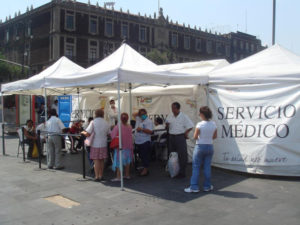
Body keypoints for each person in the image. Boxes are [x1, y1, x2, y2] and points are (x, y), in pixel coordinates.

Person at [184, 106, 217, 193]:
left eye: (200, 113)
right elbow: (214, 136)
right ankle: (207, 186)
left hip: (200, 147)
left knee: (196, 167)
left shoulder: (199, 124)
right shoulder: (213, 124)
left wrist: (200, 137)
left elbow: (195, 136)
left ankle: (194, 187)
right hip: (210, 146)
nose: (199, 114)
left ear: (202, 114)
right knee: (207, 167)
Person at [166, 102, 194, 178]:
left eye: (174, 108)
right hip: (171, 136)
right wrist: (167, 125)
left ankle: (182, 172)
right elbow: (167, 123)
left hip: (180, 137)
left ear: (178, 108)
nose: (172, 110)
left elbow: (191, 126)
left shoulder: (184, 116)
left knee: (182, 155)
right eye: (172, 108)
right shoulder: (170, 115)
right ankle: (173, 171)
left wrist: (186, 133)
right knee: (172, 154)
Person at [82, 109, 110, 182]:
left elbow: (88, 133)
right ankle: (101, 175)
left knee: (96, 160)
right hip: (103, 143)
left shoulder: (93, 122)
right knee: (102, 160)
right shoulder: (106, 122)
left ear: (96, 114)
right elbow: (109, 133)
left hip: (95, 144)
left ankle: (97, 176)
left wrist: (83, 132)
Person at [110, 113, 133, 181]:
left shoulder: (118, 126)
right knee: (127, 161)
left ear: (120, 118)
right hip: (128, 146)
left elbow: (112, 135)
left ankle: (118, 177)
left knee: (119, 161)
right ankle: (127, 175)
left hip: (120, 146)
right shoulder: (130, 126)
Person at [134, 109, 153, 176]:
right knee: (141, 156)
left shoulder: (149, 121)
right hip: (138, 141)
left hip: (145, 141)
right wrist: (138, 113)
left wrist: (142, 129)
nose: (142, 116)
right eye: (141, 114)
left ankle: (145, 170)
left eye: (143, 114)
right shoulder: (139, 119)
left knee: (145, 156)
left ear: (146, 114)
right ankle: (144, 168)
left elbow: (150, 132)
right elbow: (134, 114)